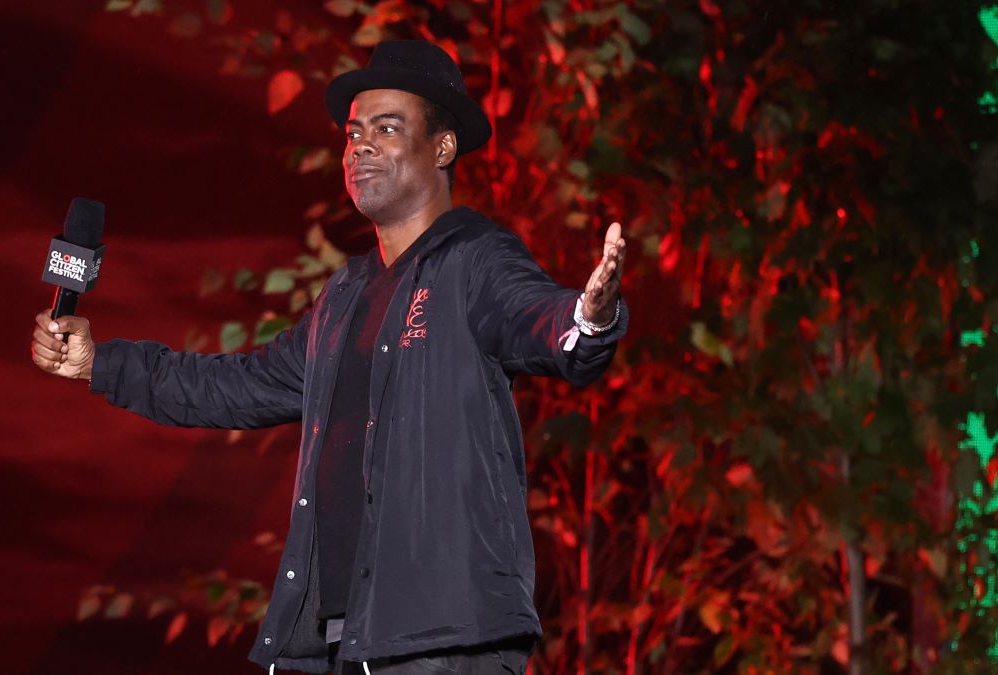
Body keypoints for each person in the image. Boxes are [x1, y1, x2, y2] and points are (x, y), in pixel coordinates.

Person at [30, 40, 627, 675]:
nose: (361, 146)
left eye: (388, 127)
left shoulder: (474, 260)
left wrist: (588, 317)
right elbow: (243, 385)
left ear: (443, 148)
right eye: (353, 133)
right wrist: (101, 364)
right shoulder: (345, 296)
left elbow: (538, 318)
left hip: (440, 641)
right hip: (338, 643)